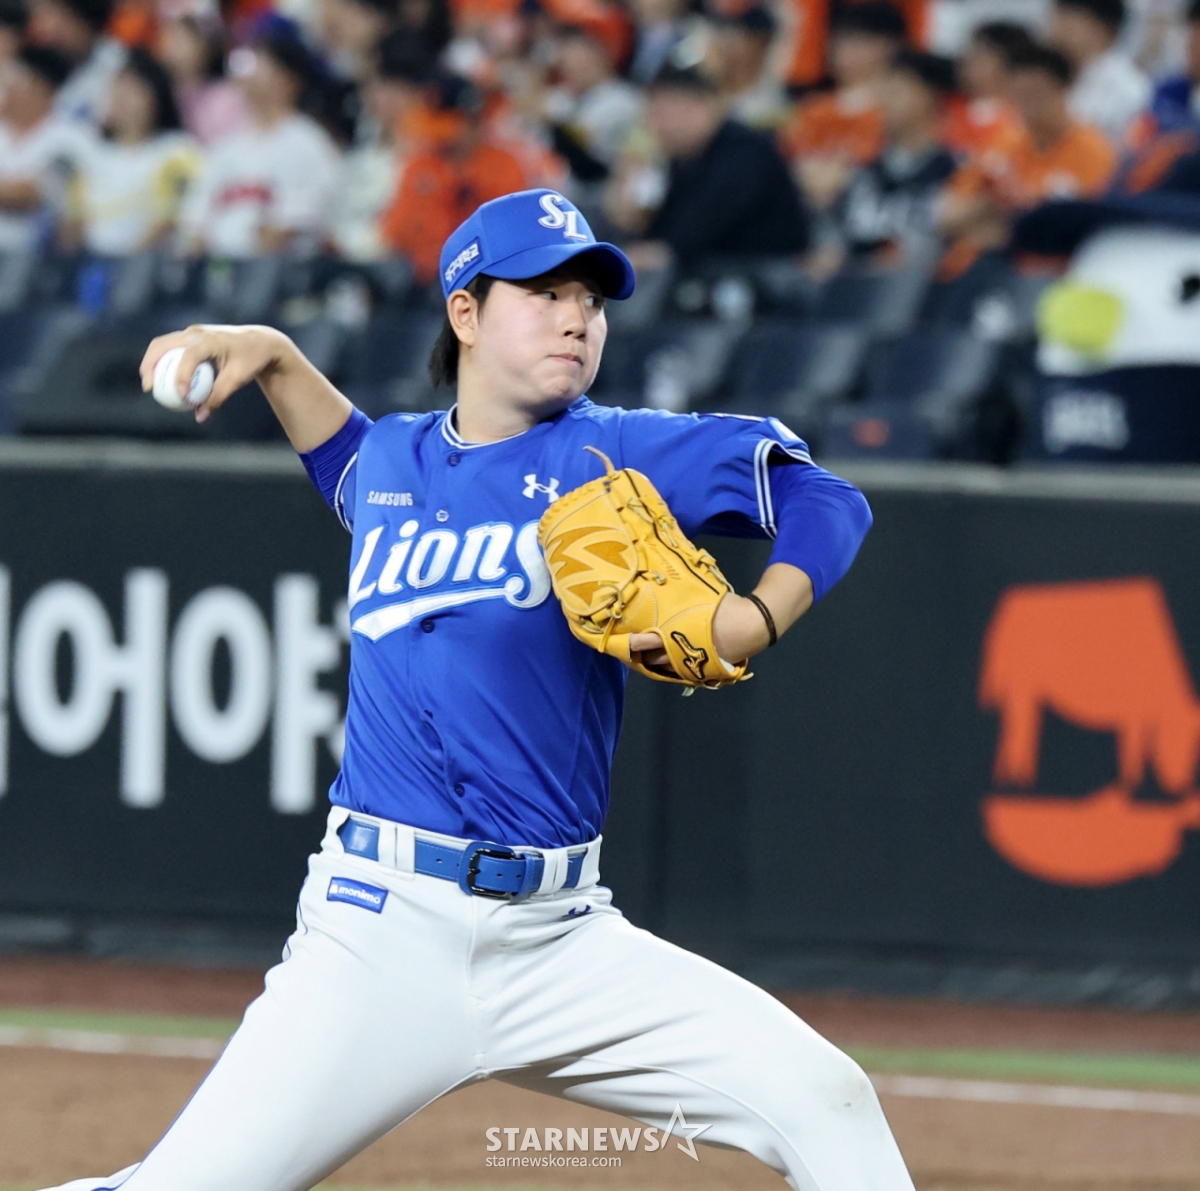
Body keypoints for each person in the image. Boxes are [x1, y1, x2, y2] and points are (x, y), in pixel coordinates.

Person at [50, 183, 916, 1191]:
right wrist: (275, 353)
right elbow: (340, 457)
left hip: (562, 941)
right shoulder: (391, 464)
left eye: (591, 300)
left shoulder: (617, 450)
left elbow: (828, 498)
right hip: (377, 934)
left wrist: (758, 613)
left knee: (828, 1101)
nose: (577, 317)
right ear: (465, 311)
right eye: (544, 293)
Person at [939, 42, 1117, 278]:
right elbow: (947, 215)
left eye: (1036, 93)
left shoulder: (1095, 151)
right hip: (975, 267)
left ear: (1065, 88)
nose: (1028, 105)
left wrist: (1005, 213)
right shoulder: (1005, 141)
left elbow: (1080, 228)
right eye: (1020, 95)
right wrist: (996, 210)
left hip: (1049, 274)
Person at [616, 63, 809, 272]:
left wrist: (651, 253)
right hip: (711, 271)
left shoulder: (745, 151)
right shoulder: (680, 158)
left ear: (697, 108)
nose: (654, 126)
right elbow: (652, 226)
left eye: (661, 114)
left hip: (767, 273)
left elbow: (701, 227)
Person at [179, 28, 342, 259]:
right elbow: (194, 220)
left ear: (289, 81)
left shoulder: (310, 143)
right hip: (218, 271)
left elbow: (293, 226)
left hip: (280, 274)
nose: (250, 76)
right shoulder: (226, 146)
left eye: (261, 66)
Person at [379, 73, 528, 284]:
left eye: (449, 128)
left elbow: (511, 241)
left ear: (474, 123)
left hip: (484, 279)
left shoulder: (504, 167)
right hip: (419, 282)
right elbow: (395, 234)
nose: (441, 140)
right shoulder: (421, 165)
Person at [62, 47, 199, 257]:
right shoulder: (90, 154)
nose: (121, 99)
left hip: (148, 265)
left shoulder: (177, 152)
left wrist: (128, 264)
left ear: (155, 97)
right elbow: (74, 219)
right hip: (91, 264)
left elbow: (168, 220)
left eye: (132, 91)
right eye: (116, 90)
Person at [828, 48, 957, 267]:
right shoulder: (860, 173)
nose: (884, 102)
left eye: (896, 90)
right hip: (860, 288)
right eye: (883, 92)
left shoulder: (955, 172)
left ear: (928, 95)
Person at [779, 1, 907, 211]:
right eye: (838, 42)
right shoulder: (812, 108)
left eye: (857, 42)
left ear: (889, 46)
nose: (843, 52)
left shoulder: (898, 111)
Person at [0, 44, 85, 255]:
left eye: (11, 78)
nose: (4, 87)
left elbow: (30, 194)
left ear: (39, 87)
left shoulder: (71, 137)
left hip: (33, 260)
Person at [542, 22, 643, 189]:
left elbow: (582, 140)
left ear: (602, 54)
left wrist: (545, 116)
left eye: (579, 53)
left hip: (599, 197)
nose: (570, 63)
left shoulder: (624, 101)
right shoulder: (564, 96)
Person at [1050, 0, 1150, 143]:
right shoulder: (1055, 77)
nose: (1056, 31)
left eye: (1068, 21)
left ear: (1106, 29)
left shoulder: (1129, 88)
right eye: (1056, 19)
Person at [157, 13, 251, 146]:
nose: (171, 47)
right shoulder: (160, 94)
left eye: (181, 40)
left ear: (206, 47)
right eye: (169, 39)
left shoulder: (226, 97)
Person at [943, 19, 1031, 158]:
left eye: (980, 54)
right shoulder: (943, 108)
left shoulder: (1023, 122)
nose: (967, 60)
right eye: (970, 52)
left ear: (1010, 65)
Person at [26, 0, 125, 123]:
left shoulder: (121, 63)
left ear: (83, 19)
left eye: (63, 19)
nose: (51, 28)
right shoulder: (45, 67)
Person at [708, 6, 790, 131]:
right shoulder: (704, 80)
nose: (732, 44)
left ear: (764, 46)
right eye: (729, 34)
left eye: (743, 37)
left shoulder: (776, 97)